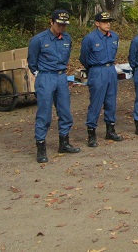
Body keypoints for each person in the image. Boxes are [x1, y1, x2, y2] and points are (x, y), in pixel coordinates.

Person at [28, 9, 80, 163]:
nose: (61, 27)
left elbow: (67, 56)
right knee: (44, 114)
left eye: (64, 25)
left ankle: (64, 143)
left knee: (65, 111)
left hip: (61, 77)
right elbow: (32, 62)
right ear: (51, 22)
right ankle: (41, 148)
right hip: (46, 77)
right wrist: (41, 77)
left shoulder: (67, 38)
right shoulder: (39, 40)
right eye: (59, 24)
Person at [80, 11, 122, 147]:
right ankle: (91, 133)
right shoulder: (90, 38)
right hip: (97, 70)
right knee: (96, 103)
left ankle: (110, 130)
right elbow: (84, 58)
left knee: (111, 101)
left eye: (109, 21)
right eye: (104, 22)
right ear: (97, 23)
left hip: (110, 69)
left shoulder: (114, 36)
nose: (108, 24)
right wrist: (92, 69)